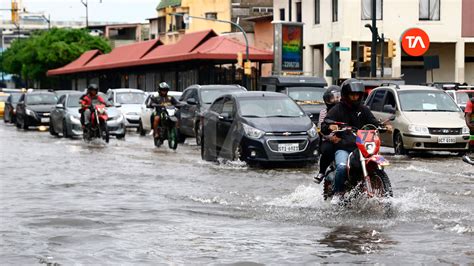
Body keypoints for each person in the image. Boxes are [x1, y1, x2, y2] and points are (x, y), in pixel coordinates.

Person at [321, 79, 392, 204]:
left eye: (357, 94)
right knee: (342, 168)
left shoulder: (364, 109)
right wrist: (330, 126)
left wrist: (385, 127)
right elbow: (325, 123)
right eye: (352, 94)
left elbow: (373, 123)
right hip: (343, 147)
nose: (355, 97)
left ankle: (381, 191)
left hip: (362, 147)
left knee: (375, 161)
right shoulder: (337, 109)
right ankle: (338, 193)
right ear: (346, 95)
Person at [313, 85, 341, 183]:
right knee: (328, 150)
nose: (335, 100)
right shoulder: (324, 112)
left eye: (338, 97)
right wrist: (331, 136)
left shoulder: (346, 110)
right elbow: (321, 128)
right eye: (332, 98)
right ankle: (322, 172)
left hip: (345, 138)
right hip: (328, 140)